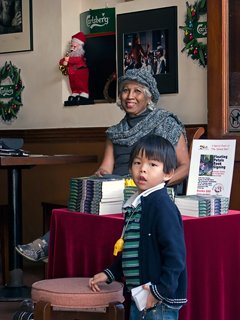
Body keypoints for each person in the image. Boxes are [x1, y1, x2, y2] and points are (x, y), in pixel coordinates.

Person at [15, 68, 189, 262]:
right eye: (125, 90)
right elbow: (105, 169)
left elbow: (185, 166)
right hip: (117, 188)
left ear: (149, 97)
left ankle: (50, 245)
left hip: (151, 189)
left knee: (98, 206)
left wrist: (156, 186)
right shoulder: (114, 132)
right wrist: (96, 181)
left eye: (137, 91)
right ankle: (52, 247)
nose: (130, 96)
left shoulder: (166, 123)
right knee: (85, 200)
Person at [89, 134, 187, 320]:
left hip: (158, 301)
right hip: (139, 296)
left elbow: (176, 256)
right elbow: (133, 250)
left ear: (168, 173)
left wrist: (159, 292)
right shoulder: (137, 203)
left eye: (153, 165)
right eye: (137, 163)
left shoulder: (161, 206)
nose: (143, 170)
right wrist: (110, 273)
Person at [59, 31, 92, 106]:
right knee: (73, 84)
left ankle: (84, 93)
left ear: (80, 47)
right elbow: (62, 61)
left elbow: (76, 60)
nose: (72, 48)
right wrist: (64, 61)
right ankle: (75, 92)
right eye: (71, 46)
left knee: (81, 83)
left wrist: (67, 60)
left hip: (80, 72)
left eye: (74, 47)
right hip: (72, 73)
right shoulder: (70, 56)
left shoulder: (80, 57)